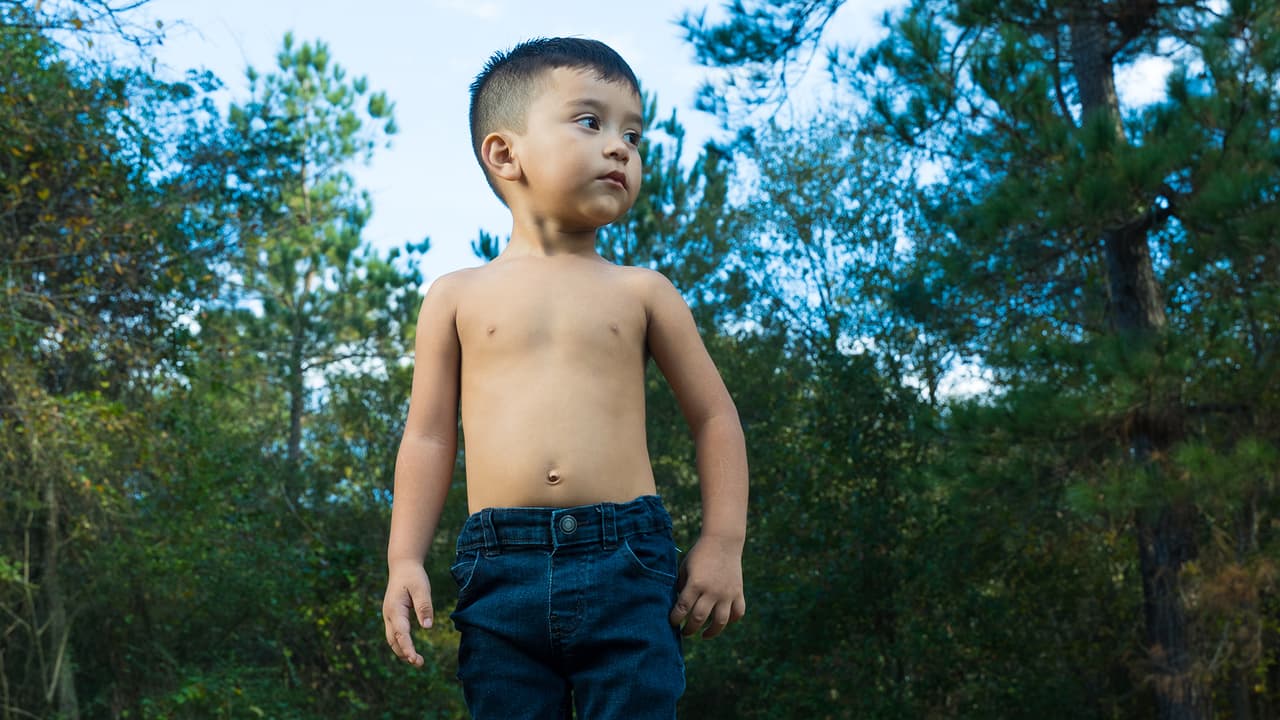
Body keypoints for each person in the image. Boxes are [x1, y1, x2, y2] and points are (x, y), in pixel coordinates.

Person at [381, 36, 748, 719]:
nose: (621, 148)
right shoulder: (455, 296)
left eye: (634, 135)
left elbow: (715, 418)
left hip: (628, 562)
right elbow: (429, 438)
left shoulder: (644, 292)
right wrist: (406, 558)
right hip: (499, 568)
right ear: (505, 153)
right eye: (592, 121)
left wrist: (723, 542)